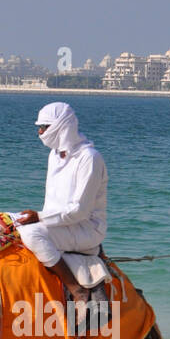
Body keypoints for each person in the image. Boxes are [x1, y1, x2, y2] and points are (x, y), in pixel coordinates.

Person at [17, 102, 106, 307]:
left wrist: (39, 218)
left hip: (85, 229)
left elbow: (79, 211)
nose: (39, 132)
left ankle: (76, 288)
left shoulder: (89, 159)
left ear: (62, 126)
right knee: (7, 222)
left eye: (44, 127)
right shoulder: (54, 155)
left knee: (31, 234)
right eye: (39, 127)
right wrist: (36, 218)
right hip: (60, 224)